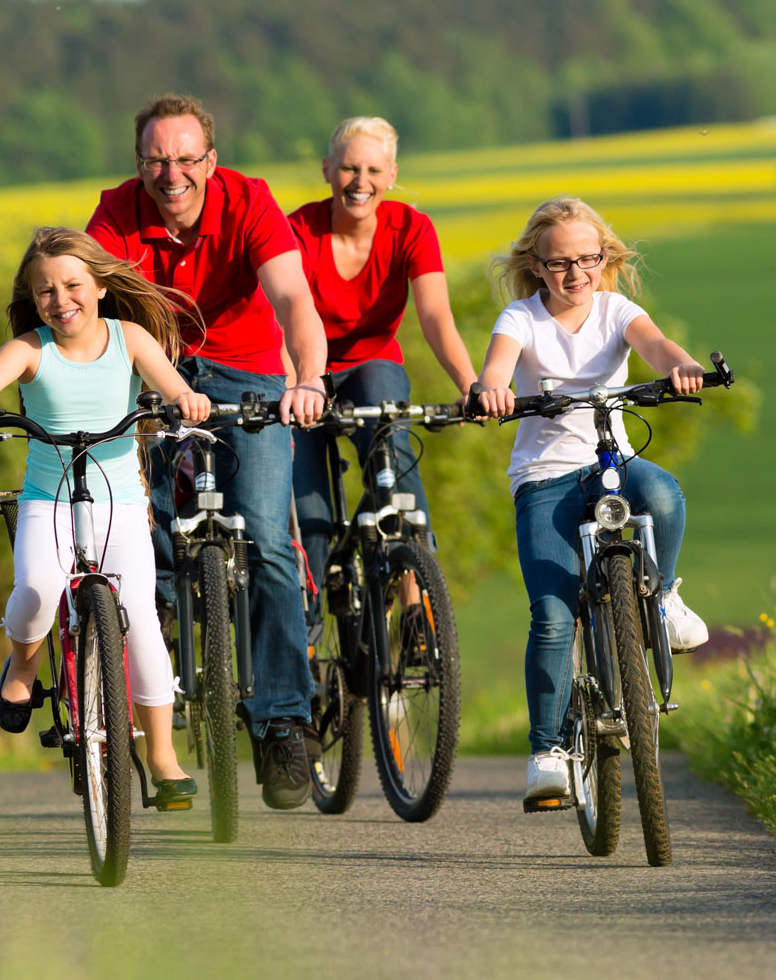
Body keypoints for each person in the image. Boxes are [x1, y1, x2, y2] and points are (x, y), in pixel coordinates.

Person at [84, 94, 329, 810]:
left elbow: (293, 300)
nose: (172, 172)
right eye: (157, 159)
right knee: (141, 537)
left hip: (248, 370)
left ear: (210, 162)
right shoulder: (116, 213)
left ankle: (284, 720)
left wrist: (307, 379)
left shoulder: (250, 201)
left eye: (186, 158)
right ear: (139, 164)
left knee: (268, 542)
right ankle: (150, 695)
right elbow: (86, 304)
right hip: (156, 372)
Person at [0, 227, 211, 806]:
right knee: (35, 590)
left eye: (73, 285)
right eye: (45, 291)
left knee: (143, 622)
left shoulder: (130, 338)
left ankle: (161, 757)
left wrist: (188, 401)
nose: (60, 300)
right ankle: (23, 665)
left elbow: (174, 387)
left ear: (101, 286)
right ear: (34, 300)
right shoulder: (31, 349)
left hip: (122, 505)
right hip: (47, 502)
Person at [469, 197, 712, 805]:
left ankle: (666, 597)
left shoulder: (616, 309)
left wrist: (682, 367)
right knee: (553, 617)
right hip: (545, 478)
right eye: (558, 264)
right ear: (536, 265)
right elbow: (497, 367)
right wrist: (492, 391)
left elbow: (655, 346)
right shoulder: (520, 318)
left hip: (612, 464)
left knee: (660, 489)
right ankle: (547, 751)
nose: (575, 274)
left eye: (588, 259)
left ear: (606, 258)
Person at [286, 116, 480, 636]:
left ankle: (414, 597)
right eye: (348, 167)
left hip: (372, 364)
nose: (359, 180)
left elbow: (436, 317)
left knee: (392, 446)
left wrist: (469, 384)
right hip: (304, 369)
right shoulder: (297, 230)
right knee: (309, 515)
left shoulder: (411, 229)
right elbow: (280, 317)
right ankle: (305, 650)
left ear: (391, 174)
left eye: (372, 169)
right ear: (327, 169)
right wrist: (293, 388)